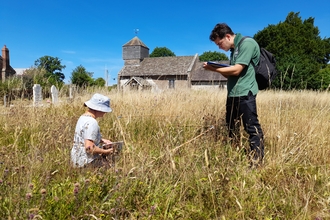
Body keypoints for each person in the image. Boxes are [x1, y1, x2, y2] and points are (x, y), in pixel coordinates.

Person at [203, 23, 264, 166]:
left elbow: (236, 70)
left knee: (251, 128)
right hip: (233, 94)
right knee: (231, 127)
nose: (219, 47)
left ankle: (256, 161)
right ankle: (234, 156)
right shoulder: (234, 50)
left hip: (245, 93)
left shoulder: (247, 44)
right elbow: (231, 75)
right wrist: (218, 68)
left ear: (228, 36)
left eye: (219, 43)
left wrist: (213, 69)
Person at [71, 93, 115, 168]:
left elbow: (84, 137)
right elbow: (89, 148)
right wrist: (106, 152)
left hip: (77, 159)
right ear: (99, 108)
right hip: (87, 162)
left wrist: (101, 140)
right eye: (105, 110)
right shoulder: (92, 122)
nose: (106, 112)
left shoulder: (83, 117)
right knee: (111, 168)